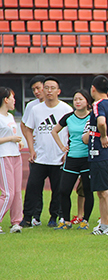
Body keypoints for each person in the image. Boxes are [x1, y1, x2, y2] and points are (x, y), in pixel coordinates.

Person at [20, 77, 73, 228]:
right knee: (32, 189)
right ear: (43, 90)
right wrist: (31, 150)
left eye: (53, 88)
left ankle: (55, 217)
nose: (49, 91)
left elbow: (72, 132)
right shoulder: (36, 109)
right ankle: (28, 218)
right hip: (40, 157)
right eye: (47, 88)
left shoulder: (66, 109)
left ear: (59, 91)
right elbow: (28, 129)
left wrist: (66, 151)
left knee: (59, 190)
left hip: (59, 158)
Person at [51, 89, 94, 230]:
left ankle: (85, 221)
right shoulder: (68, 117)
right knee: (64, 190)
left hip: (87, 159)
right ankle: (66, 221)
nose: (77, 102)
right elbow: (54, 131)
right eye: (75, 99)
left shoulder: (93, 117)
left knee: (87, 190)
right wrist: (62, 147)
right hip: (72, 159)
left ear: (87, 101)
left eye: (81, 99)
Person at [85, 75, 108, 236]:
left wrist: (103, 135)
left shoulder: (98, 105)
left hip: (101, 153)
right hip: (107, 154)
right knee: (101, 191)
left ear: (93, 89)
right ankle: (104, 225)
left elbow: (101, 122)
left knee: (107, 191)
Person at [0, 87, 24, 233]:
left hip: (15, 155)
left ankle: (16, 222)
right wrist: (11, 139)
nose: (14, 101)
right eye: (12, 97)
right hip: (3, 156)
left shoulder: (9, 116)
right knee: (7, 193)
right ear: (5, 99)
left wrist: (17, 142)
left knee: (16, 192)